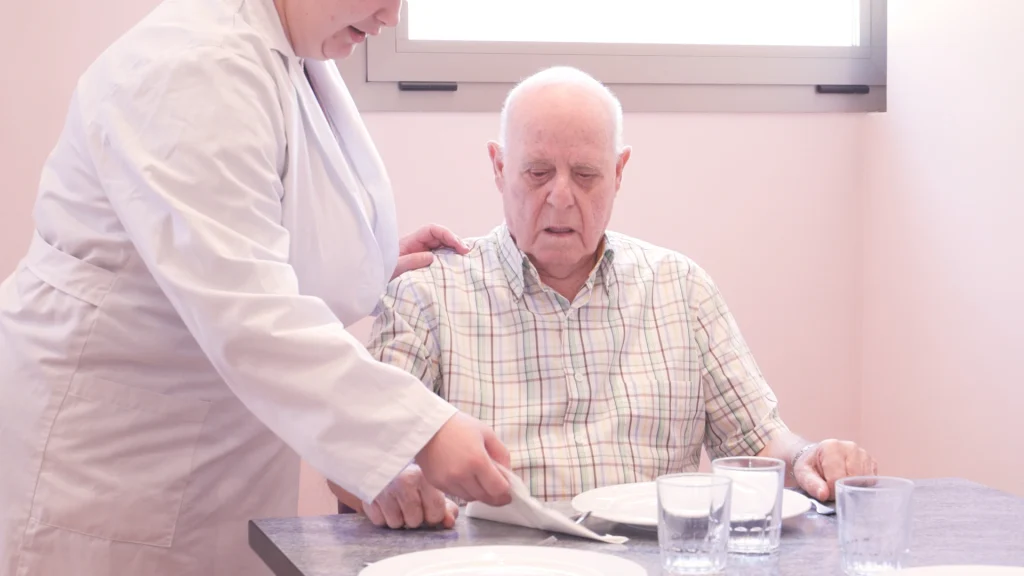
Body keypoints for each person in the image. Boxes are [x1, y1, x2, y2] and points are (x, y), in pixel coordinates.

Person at [0, 0, 513, 574]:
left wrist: (360, 262)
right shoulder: (195, 66)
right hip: (117, 457)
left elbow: (246, 227)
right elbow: (248, 309)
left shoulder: (289, 48)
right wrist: (422, 429)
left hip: (217, 447)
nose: (391, 17)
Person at [328, 66, 879, 529]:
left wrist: (811, 458)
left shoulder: (679, 288)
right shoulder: (428, 290)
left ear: (619, 173)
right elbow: (354, 453)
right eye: (537, 172)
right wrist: (386, 482)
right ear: (499, 168)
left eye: (587, 174)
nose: (561, 198)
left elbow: (762, 446)